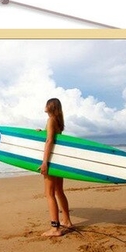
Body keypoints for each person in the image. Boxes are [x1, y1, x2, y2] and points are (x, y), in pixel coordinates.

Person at [39, 98, 73, 236]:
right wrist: (41, 132)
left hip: (51, 161)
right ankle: (67, 221)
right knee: (59, 191)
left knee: (49, 194)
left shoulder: (51, 120)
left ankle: (55, 228)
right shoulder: (58, 122)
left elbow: (49, 140)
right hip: (58, 162)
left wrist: (45, 162)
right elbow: (51, 136)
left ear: (50, 106)